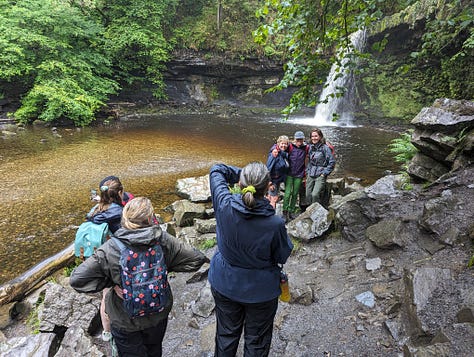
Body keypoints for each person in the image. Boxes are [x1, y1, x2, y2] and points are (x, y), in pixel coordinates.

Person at [70, 197, 208, 357]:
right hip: (158, 313)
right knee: (154, 350)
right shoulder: (163, 240)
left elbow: (77, 279)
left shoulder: (110, 249)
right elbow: (196, 258)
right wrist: (163, 270)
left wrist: (113, 283)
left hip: (124, 319)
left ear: (124, 219)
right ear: (150, 219)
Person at [208, 162, 294, 356]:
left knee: (226, 335)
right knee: (257, 342)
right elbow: (282, 255)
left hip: (225, 282)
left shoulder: (224, 204)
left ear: (240, 184)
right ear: (267, 187)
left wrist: (245, 175)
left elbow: (216, 169)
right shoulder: (275, 223)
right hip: (261, 292)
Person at [282, 131, 309, 222]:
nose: (299, 141)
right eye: (298, 139)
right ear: (294, 139)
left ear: (303, 139)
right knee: (287, 194)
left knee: (295, 194)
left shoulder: (306, 148)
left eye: (301, 139)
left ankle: (291, 211)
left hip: (299, 174)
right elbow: (279, 147)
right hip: (289, 174)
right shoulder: (289, 146)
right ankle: (285, 211)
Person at [305, 128, 336, 206]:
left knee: (315, 195)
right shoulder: (311, 147)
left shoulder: (325, 148)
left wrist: (324, 173)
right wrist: (308, 171)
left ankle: (315, 211)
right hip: (311, 173)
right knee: (308, 195)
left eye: (316, 136)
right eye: (312, 136)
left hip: (320, 174)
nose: (314, 138)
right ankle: (309, 211)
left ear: (320, 137)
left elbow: (332, 161)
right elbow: (309, 160)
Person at [266, 135, 289, 207]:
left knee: (270, 198)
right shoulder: (274, 153)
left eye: (285, 144)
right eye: (282, 143)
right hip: (273, 181)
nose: (284, 145)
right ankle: (271, 216)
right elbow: (268, 169)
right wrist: (269, 183)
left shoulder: (282, 153)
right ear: (278, 143)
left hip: (278, 180)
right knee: (274, 199)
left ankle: (266, 213)